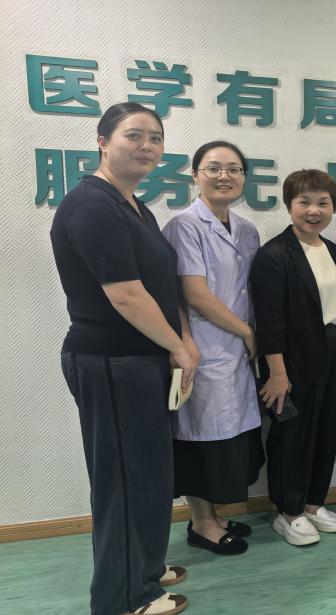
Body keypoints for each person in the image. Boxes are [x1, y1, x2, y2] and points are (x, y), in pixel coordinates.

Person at [50, 102, 194, 615]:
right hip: (111, 362)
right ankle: (124, 598)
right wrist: (178, 346)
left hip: (141, 361)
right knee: (125, 482)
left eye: (155, 137)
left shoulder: (134, 206)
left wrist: (181, 339)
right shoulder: (92, 206)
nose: (147, 146)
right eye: (134, 135)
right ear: (102, 141)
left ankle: (145, 569)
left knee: (149, 475)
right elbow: (127, 296)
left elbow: (158, 285)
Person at [162, 141, 264, 554]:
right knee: (201, 438)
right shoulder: (184, 226)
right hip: (204, 346)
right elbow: (195, 294)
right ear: (195, 175)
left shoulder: (247, 229)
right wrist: (248, 333)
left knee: (228, 438)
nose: (225, 176)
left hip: (236, 351)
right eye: (214, 168)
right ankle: (202, 523)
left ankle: (214, 517)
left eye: (234, 169)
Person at [250, 169, 336, 545]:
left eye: (323, 203)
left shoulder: (331, 248)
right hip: (291, 357)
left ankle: (312, 503)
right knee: (292, 434)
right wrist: (277, 374)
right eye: (304, 202)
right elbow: (269, 322)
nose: (314, 211)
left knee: (326, 428)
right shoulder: (273, 255)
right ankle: (288, 512)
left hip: (332, 349)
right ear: (289, 205)